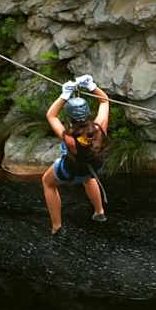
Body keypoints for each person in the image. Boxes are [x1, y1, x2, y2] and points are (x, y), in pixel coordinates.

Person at [42, 74, 110, 237]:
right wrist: (92, 86)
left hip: (72, 171)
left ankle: (56, 227)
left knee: (48, 183)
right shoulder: (100, 128)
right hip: (95, 167)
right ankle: (99, 212)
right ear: (87, 114)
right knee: (88, 177)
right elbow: (104, 101)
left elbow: (51, 115)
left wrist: (64, 96)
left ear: (70, 118)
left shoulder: (69, 138)